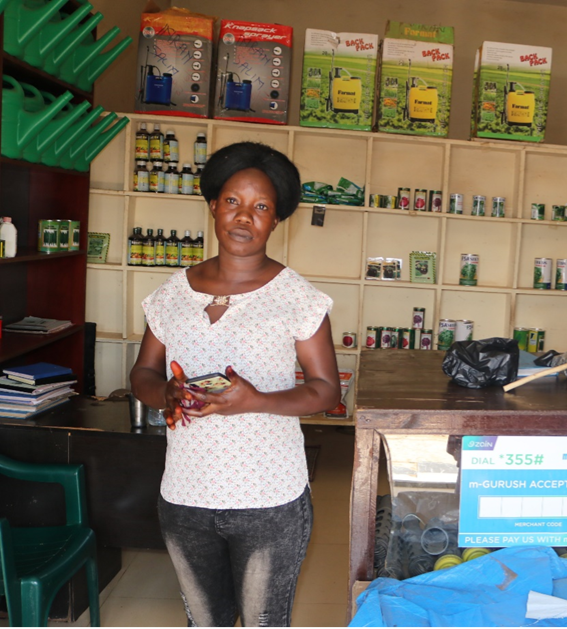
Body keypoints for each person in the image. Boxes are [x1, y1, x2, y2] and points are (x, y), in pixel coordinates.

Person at [130, 141, 340, 628]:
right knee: (205, 622)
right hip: (184, 493)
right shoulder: (171, 294)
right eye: (233, 202)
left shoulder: (297, 298)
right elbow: (143, 372)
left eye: (261, 207)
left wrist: (257, 400)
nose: (244, 217)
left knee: (264, 621)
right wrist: (164, 393)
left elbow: (327, 388)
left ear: (276, 220)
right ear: (213, 207)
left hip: (269, 497)